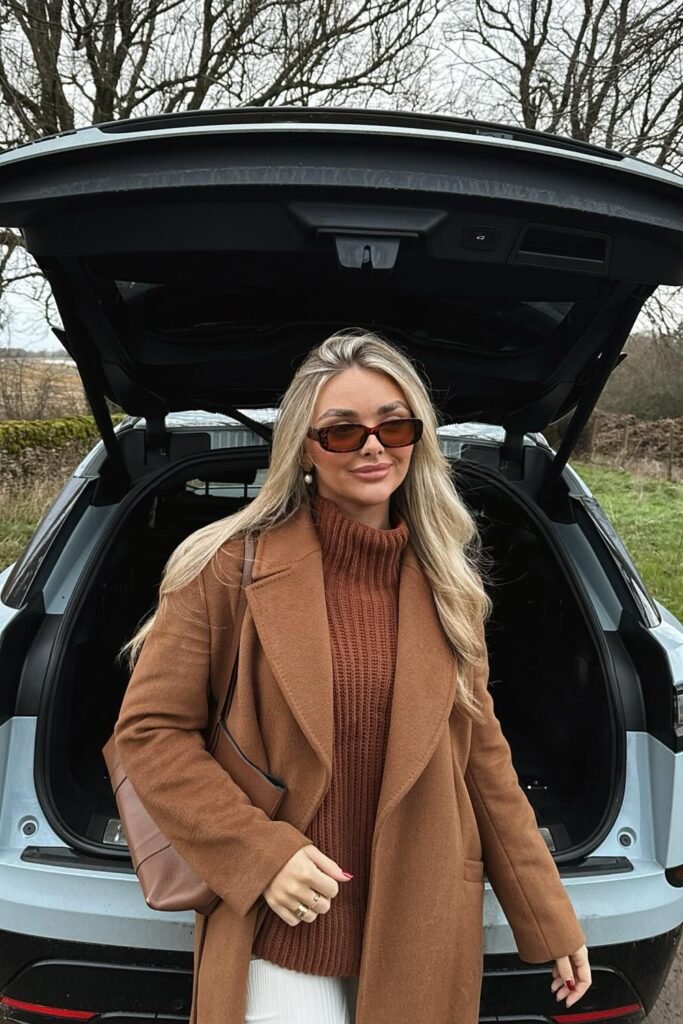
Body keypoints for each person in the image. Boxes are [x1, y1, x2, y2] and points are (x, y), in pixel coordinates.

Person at [113, 328, 592, 1024]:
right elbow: (151, 734)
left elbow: (483, 762)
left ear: (417, 437)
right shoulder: (224, 566)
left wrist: (549, 918)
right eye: (341, 431)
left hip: (417, 924)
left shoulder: (447, 587)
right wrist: (259, 854)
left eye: (393, 424)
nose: (372, 445)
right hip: (284, 922)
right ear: (304, 450)